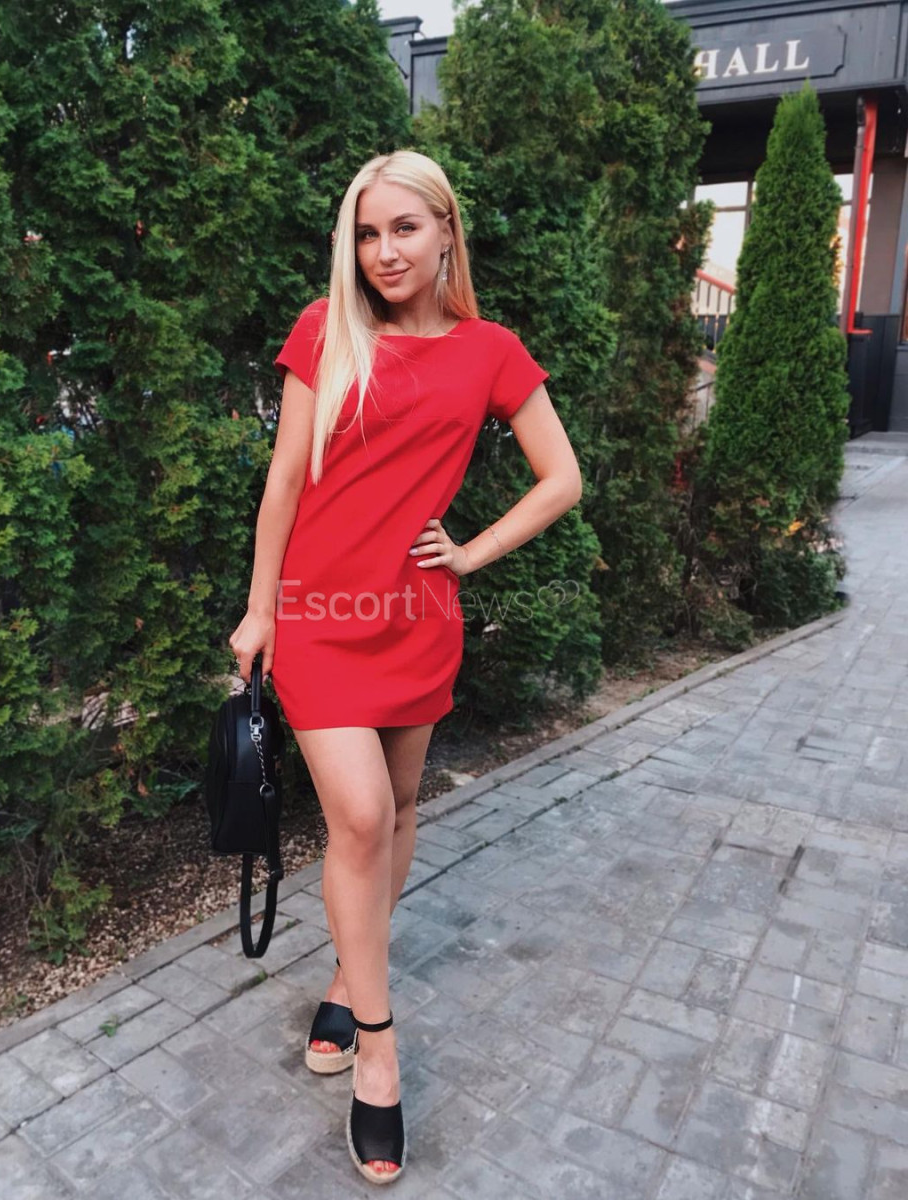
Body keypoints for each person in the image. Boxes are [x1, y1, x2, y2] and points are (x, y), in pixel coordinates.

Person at [229, 149, 582, 1184]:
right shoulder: (325, 329)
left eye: (404, 229)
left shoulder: (490, 352)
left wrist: (469, 553)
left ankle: (350, 980)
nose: (384, 251)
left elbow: (562, 477)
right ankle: (379, 1051)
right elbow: (284, 482)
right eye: (367, 233)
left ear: (446, 234)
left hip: (417, 617)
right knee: (361, 816)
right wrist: (260, 609)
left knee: (403, 805)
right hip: (319, 617)